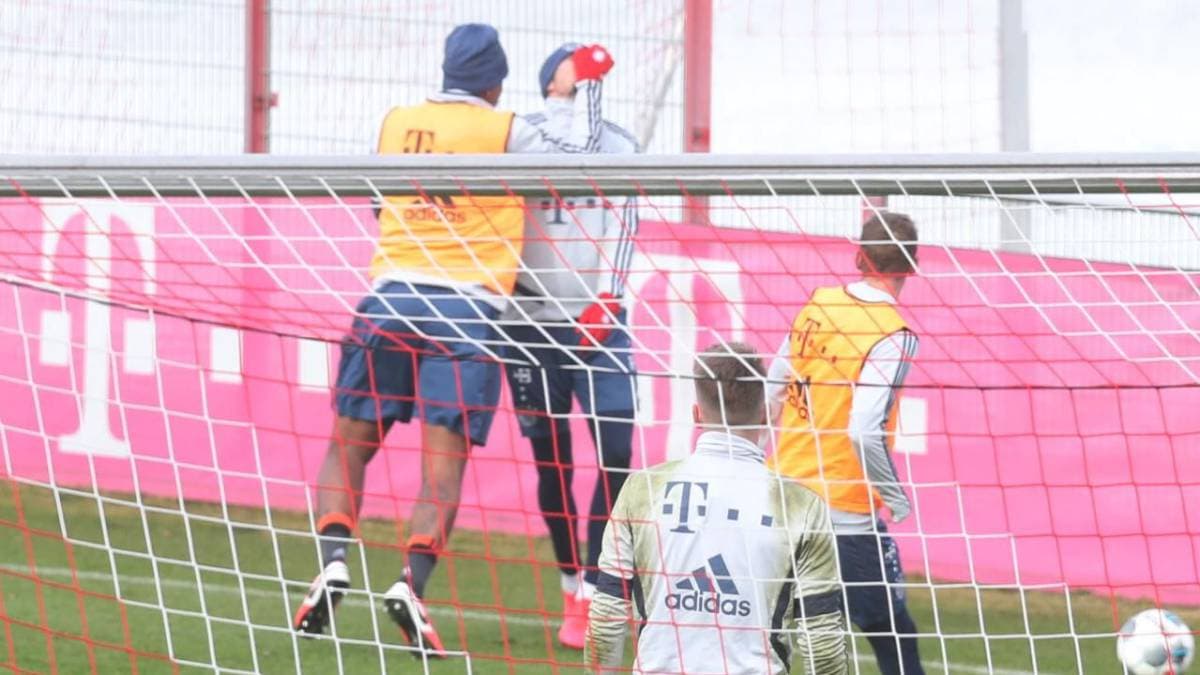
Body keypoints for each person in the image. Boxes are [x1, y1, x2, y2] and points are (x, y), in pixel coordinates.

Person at [291, 23, 615, 658]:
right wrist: (566, 93)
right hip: (466, 309)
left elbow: (383, 209)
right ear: (495, 82)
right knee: (443, 470)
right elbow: (576, 164)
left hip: (387, 299)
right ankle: (411, 585)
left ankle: (332, 561)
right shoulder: (508, 131)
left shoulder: (394, 123)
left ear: (446, 74)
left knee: (348, 446)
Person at [585, 342, 848, 674]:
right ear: (767, 413)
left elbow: (606, 615)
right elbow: (822, 639)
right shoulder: (802, 505)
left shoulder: (642, 488)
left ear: (696, 414)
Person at [501, 42, 640, 650]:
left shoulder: (620, 143)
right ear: (545, 80)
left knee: (616, 453)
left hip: (600, 323)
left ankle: (598, 583)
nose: (578, 64)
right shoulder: (521, 137)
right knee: (551, 462)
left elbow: (628, 218)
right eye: (566, 60)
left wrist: (610, 293)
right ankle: (572, 588)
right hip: (529, 323)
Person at [768, 212, 924, 675]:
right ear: (912, 267)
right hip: (843, 511)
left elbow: (775, 381)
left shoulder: (818, 303)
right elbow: (863, 429)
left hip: (780, 499)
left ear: (858, 256)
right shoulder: (893, 335)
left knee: (773, 635)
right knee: (893, 633)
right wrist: (894, 496)